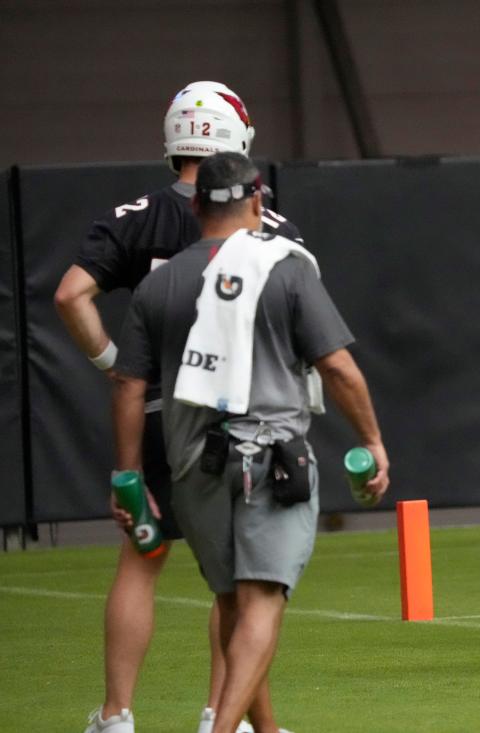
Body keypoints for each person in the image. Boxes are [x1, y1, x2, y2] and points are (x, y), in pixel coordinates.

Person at [112, 151, 390, 733]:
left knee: (236, 603)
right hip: (271, 462)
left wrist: (129, 475)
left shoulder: (157, 285)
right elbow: (337, 368)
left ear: (194, 206)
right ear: (258, 202)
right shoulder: (284, 267)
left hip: (191, 468)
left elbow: (130, 387)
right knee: (263, 600)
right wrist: (372, 440)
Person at [54, 81, 301, 733]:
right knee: (243, 577)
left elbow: (71, 294)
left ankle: (116, 715)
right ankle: (225, 715)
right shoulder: (265, 221)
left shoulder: (138, 215)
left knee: (143, 557)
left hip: (166, 410)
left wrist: (113, 361)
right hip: (247, 416)